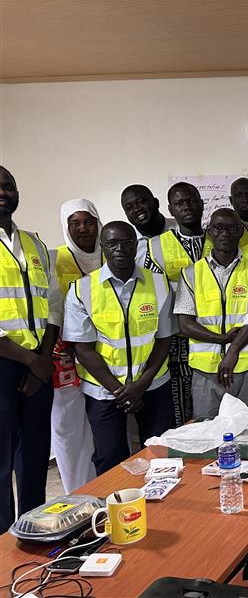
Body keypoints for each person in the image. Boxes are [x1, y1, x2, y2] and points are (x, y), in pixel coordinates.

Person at [63, 221, 175, 475]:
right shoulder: (82, 289)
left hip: (153, 383)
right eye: (112, 243)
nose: (119, 248)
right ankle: (114, 510)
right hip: (104, 390)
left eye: (126, 242)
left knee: (160, 456)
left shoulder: (158, 283)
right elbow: (83, 349)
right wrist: (120, 390)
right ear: (102, 247)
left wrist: (142, 384)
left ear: (136, 245)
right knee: (109, 458)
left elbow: (164, 338)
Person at [0, 166, 58, 534]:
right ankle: (4, 535)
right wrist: (30, 360)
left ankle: (33, 525)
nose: (3, 192)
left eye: (9, 186)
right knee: (1, 457)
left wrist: (43, 359)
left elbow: (52, 303)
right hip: (6, 360)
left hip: (38, 360)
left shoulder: (35, 243)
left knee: (35, 452)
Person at [176, 208, 248, 418]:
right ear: (209, 231)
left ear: (240, 232)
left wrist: (233, 350)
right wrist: (221, 339)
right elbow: (185, 323)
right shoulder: (191, 273)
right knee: (207, 433)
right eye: (219, 228)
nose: (225, 233)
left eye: (231, 228)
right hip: (205, 370)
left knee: (247, 432)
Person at [49, 199, 102, 493]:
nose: (83, 229)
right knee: (70, 431)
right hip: (65, 356)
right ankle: (77, 493)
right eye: (75, 223)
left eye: (89, 221)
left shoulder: (112, 253)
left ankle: (107, 485)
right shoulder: (55, 259)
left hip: (106, 355)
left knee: (104, 428)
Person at [146, 182, 206, 425]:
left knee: (214, 413)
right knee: (181, 414)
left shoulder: (222, 237)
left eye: (192, 201)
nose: (187, 207)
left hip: (215, 341)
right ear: (171, 209)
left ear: (202, 204)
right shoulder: (158, 246)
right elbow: (155, 296)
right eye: (180, 203)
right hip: (178, 344)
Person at [120, 184, 177, 267]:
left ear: (156, 203)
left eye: (141, 202)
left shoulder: (182, 230)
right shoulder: (126, 244)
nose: (136, 209)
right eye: (129, 207)